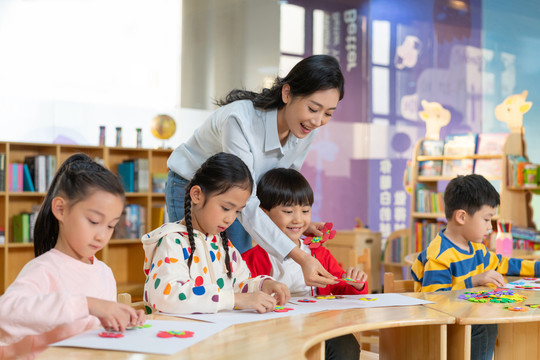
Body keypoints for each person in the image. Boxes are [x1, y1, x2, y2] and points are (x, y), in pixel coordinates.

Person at [165, 54, 344, 288]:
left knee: (238, 271)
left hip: (242, 199)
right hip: (195, 189)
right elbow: (246, 201)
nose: (318, 121)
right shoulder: (239, 120)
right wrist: (301, 257)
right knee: (201, 270)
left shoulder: (306, 128)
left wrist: (296, 221)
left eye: (328, 113)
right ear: (287, 93)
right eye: (313, 108)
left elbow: (278, 187)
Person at [0, 154, 146, 359]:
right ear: (60, 209)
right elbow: (5, 314)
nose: (101, 235)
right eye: (94, 221)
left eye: (111, 225)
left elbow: (97, 333)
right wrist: (88, 304)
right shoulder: (44, 269)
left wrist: (122, 318)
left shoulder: (104, 273)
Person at [411, 174, 540, 360]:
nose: (490, 227)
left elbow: (505, 264)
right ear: (462, 217)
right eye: (487, 219)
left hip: (465, 323)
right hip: (442, 332)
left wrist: (537, 268)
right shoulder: (439, 255)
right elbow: (435, 300)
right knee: (484, 322)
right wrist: (474, 280)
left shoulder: (477, 249)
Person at [242, 168, 367, 360]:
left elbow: (342, 287)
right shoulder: (251, 259)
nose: (298, 219)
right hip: (271, 330)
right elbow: (245, 296)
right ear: (263, 216)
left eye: (305, 211)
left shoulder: (320, 254)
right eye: (288, 211)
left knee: (347, 345)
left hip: (318, 326)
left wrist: (356, 283)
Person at [143, 153, 290, 314]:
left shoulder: (223, 244)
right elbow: (167, 296)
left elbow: (239, 284)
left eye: (237, 212)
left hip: (215, 333)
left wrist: (263, 285)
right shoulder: (171, 242)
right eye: (226, 208)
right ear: (197, 195)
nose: (230, 219)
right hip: (180, 334)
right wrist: (235, 300)